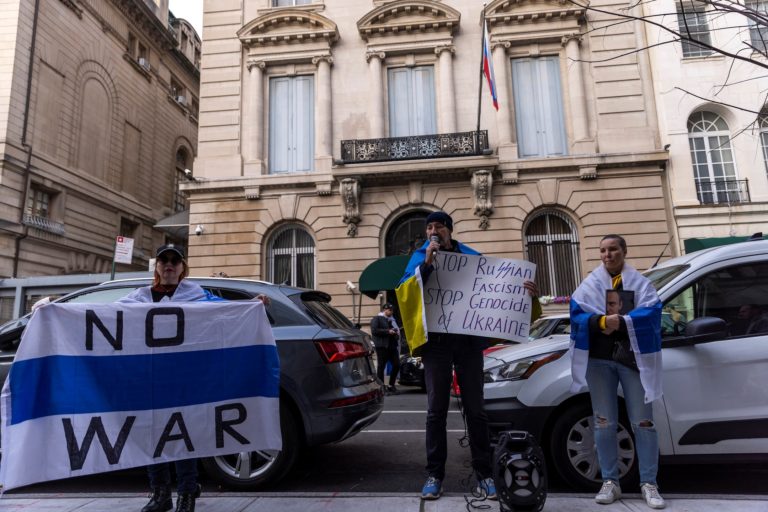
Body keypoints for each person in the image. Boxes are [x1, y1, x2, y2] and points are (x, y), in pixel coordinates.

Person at [398, 211, 540, 501]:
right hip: (436, 343)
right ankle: (434, 475)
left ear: (449, 230)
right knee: (436, 411)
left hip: (468, 342)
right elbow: (404, 291)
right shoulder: (420, 256)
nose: (432, 231)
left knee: (476, 410)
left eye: (437, 226)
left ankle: (485, 474)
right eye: (428, 227)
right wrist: (426, 264)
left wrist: (527, 295)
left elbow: (496, 291)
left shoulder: (473, 257)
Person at [119, 244, 268, 512]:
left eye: (175, 260)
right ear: (156, 266)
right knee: (155, 435)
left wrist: (251, 306)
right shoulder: (138, 298)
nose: (169, 264)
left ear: (182, 268)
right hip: (150, 379)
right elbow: (100, 314)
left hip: (185, 379)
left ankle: (187, 493)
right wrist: (54, 309)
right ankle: (160, 494)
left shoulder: (197, 298)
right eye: (164, 260)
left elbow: (224, 311)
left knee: (182, 436)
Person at [569, 235, 665, 510]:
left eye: (612, 249)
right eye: (602, 250)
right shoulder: (589, 284)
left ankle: (649, 483)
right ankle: (610, 482)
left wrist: (623, 321)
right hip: (598, 361)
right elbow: (575, 315)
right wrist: (600, 320)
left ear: (624, 251)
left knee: (643, 423)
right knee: (603, 422)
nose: (607, 254)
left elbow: (653, 312)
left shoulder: (641, 284)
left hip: (633, 361)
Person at [370, 302, 401, 393]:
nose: (391, 312)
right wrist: (388, 331)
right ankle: (382, 387)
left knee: (396, 364)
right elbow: (374, 331)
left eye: (392, 310)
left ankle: (391, 385)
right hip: (382, 346)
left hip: (392, 346)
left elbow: (395, 332)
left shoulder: (392, 320)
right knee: (381, 366)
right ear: (385, 310)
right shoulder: (377, 318)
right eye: (389, 310)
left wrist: (396, 334)